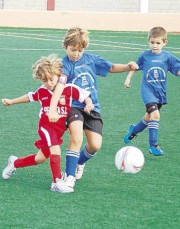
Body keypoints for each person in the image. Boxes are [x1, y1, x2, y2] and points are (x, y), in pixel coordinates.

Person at [48, 26, 138, 184]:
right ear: (65, 46)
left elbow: (110, 67)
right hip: (73, 107)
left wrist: (127, 67)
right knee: (76, 138)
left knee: (95, 145)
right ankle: (69, 177)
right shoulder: (64, 66)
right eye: (72, 49)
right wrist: (53, 109)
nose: (76, 53)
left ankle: (80, 162)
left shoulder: (91, 59)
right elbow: (59, 88)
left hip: (93, 107)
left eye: (79, 50)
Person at [1, 54, 94, 193]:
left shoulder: (68, 88)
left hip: (59, 129)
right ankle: (56, 181)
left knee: (40, 158)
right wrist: (11, 101)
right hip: (46, 127)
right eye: (45, 81)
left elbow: (84, 96)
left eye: (51, 79)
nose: (49, 83)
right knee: (55, 149)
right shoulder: (42, 91)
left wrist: (89, 104)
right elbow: (29, 97)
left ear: (58, 75)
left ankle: (14, 163)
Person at [123, 26, 180, 156]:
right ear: (148, 40)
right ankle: (153, 145)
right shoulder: (144, 55)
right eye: (152, 42)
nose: (155, 45)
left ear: (164, 42)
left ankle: (133, 131)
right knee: (155, 116)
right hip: (147, 91)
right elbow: (135, 67)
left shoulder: (167, 57)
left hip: (160, 92)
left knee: (149, 118)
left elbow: (177, 69)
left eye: (158, 43)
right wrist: (128, 79)